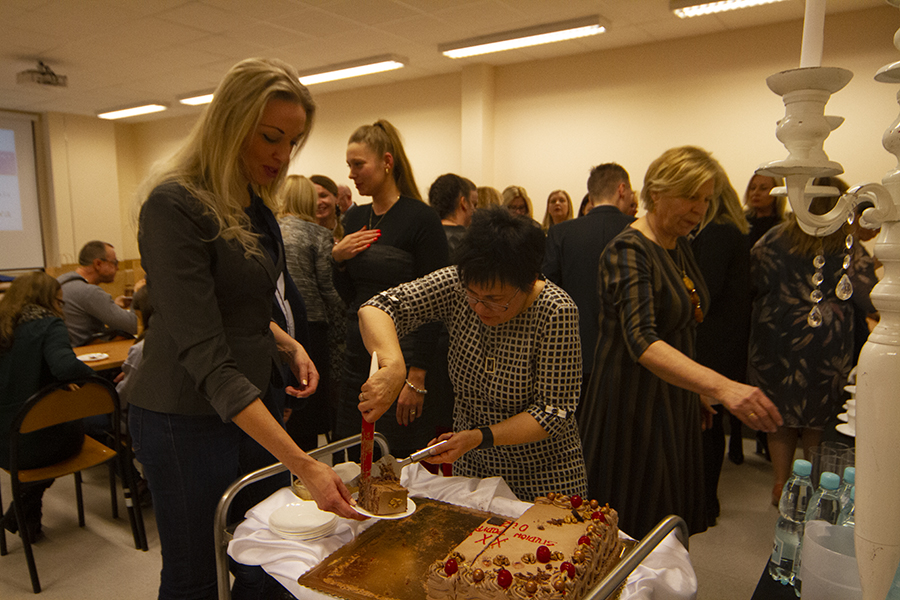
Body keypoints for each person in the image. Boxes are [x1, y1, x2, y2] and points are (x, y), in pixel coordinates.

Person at [130, 58, 363, 600]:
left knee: (264, 557)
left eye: (293, 142)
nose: (282, 156)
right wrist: (305, 463)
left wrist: (285, 342)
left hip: (248, 403)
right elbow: (204, 349)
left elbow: (241, 302)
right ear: (231, 124)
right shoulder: (173, 206)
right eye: (271, 138)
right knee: (195, 573)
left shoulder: (254, 204)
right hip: (183, 415)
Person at [578, 146, 782, 539]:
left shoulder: (678, 243)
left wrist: (695, 391)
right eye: (691, 197)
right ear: (656, 192)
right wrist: (722, 386)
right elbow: (643, 342)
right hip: (631, 408)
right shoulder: (628, 250)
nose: (700, 208)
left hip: (669, 399)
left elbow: (681, 324)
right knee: (632, 526)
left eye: (706, 199)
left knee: (665, 522)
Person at [357, 206, 587, 501]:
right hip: (474, 471)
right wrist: (393, 366)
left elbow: (552, 412)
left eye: (494, 300)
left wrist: (480, 436)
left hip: (543, 478)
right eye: (473, 296)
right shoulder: (457, 284)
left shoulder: (556, 310)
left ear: (528, 282)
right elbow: (378, 307)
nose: (478, 308)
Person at [332, 119, 449, 461]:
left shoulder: (420, 218)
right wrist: (337, 259)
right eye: (349, 166)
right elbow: (348, 294)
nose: (352, 174)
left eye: (358, 164)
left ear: (386, 161)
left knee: (395, 463)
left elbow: (435, 303)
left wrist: (416, 376)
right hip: (357, 356)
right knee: (351, 458)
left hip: (402, 358)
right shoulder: (355, 219)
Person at [748, 189, 857, 507]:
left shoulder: (774, 237)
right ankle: (813, 486)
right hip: (830, 337)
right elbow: (861, 284)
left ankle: (781, 485)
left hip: (780, 332)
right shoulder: (845, 240)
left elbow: (754, 276)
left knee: (778, 413)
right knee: (818, 417)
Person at [0, 272, 95, 540]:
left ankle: (26, 521)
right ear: (48, 300)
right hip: (39, 444)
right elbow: (65, 365)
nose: (60, 307)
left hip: (3, 442)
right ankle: (18, 513)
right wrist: (96, 380)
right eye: (59, 302)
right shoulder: (48, 324)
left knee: (35, 430)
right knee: (70, 430)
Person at [543, 163, 635, 398]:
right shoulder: (638, 231)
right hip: (630, 353)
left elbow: (547, 291)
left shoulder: (561, 233)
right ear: (622, 189)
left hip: (573, 352)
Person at [690, 176, 751, 527]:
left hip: (712, 343)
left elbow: (703, 290)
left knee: (707, 425)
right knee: (712, 427)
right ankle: (706, 499)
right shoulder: (734, 231)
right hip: (727, 340)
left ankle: (705, 502)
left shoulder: (718, 234)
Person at [279, 175, 346, 450]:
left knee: (283, 399)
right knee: (306, 400)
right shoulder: (317, 233)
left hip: (276, 325)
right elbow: (328, 288)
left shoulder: (268, 229)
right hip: (311, 326)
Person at [57, 240, 140, 346]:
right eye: (114, 262)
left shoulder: (61, 282)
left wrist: (112, 305)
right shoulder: (89, 292)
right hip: (87, 355)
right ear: (98, 264)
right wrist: (138, 294)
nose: (118, 268)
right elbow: (133, 325)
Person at [429, 173, 477, 259]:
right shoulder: (472, 242)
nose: (474, 209)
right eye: (473, 204)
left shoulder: (425, 237)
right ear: (464, 202)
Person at [310, 174, 344, 240]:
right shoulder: (303, 233)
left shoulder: (350, 226)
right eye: (313, 197)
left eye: (323, 196)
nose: (318, 202)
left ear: (337, 198)